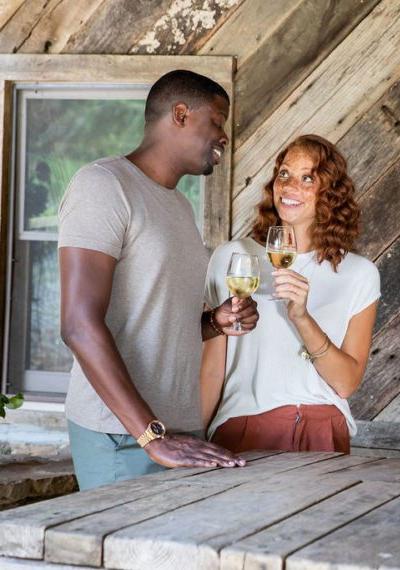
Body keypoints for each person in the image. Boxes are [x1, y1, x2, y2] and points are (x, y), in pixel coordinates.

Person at [58, 70, 258, 490]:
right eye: (217, 121)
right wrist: (150, 436)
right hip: (124, 436)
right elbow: (78, 325)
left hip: (179, 434)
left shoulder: (179, 207)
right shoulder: (103, 186)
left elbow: (156, 320)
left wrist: (212, 323)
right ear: (181, 114)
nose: (224, 136)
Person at [202, 134, 379, 453]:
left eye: (307, 178)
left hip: (324, 428)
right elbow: (213, 367)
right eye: (284, 173)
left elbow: (346, 383)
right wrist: (192, 442)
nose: (288, 186)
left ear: (330, 194)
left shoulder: (359, 273)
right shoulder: (235, 258)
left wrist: (301, 317)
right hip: (246, 424)